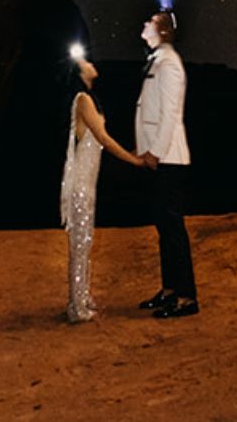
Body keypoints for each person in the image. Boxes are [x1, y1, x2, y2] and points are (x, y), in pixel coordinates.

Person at [61, 47, 144, 324]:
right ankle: (76, 305)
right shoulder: (83, 99)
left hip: (88, 182)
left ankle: (82, 297)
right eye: (84, 61)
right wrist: (134, 160)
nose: (90, 63)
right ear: (80, 72)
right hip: (81, 185)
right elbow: (104, 139)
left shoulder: (89, 99)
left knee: (85, 242)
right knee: (80, 244)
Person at [134, 8, 198, 319]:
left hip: (169, 157)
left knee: (173, 228)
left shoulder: (170, 64)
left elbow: (170, 114)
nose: (144, 23)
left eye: (150, 21)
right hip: (159, 157)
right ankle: (170, 290)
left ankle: (186, 297)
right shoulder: (159, 60)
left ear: (162, 31)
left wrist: (155, 152)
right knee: (164, 227)